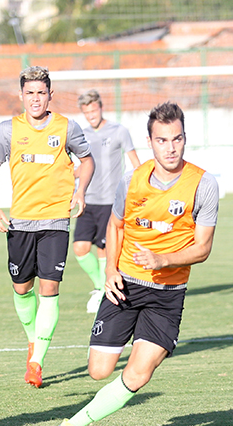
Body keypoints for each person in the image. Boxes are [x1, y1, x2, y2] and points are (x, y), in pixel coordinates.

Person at [54, 102, 219, 426]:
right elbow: (116, 226)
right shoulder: (132, 180)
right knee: (99, 370)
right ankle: (130, 334)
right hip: (126, 285)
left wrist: (164, 258)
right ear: (150, 141)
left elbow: (203, 248)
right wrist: (111, 269)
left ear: (185, 139)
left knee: (138, 374)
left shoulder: (203, 184)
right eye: (162, 140)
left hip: (167, 295)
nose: (170, 147)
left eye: (177, 139)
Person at [0, 66, 95, 388]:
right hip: (20, 221)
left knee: (49, 288)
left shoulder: (66, 127)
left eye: (41, 93)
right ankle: (34, 339)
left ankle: (36, 361)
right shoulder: (8, 130)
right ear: (21, 96)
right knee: (22, 288)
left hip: (56, 222)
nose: (36, 99)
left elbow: (87, 160)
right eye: (30, 93)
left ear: (50, 95)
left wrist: (80, 191)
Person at [74, 90, 141, 313]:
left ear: (100, 108)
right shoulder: (81, 134)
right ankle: (98, 286)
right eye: (87, 112)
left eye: (94, 110)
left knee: (104, 249)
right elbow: (81, 167)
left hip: (110, 202)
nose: (91, 115)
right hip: (87, 200)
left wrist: (139, 189)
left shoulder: (119, 131)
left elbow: (135, 163)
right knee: (80, 248)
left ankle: (103, 290)